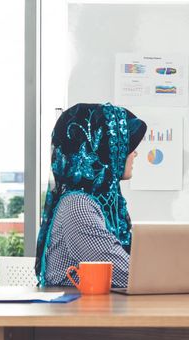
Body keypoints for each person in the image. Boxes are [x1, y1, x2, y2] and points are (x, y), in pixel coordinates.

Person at [35, 103, 147, 288]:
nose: (135, 153)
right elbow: (124, 273)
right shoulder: (77, 206)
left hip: (96, 312)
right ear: (103, 149)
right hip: (76, 315)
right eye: (127, 145)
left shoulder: (102, 201)